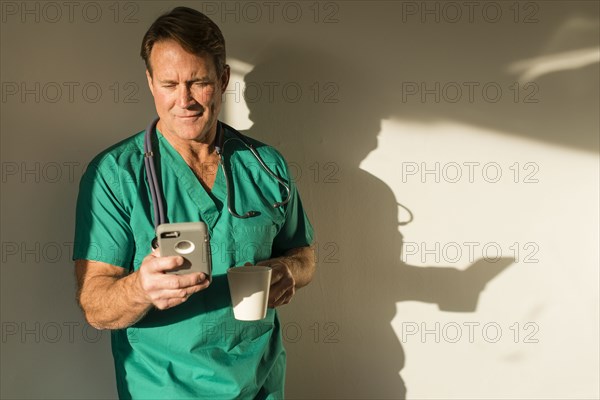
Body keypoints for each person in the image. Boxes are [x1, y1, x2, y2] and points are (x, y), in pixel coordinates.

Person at [72, 6, 315, 399]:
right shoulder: (115, 174)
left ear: (222, 79)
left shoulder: (266, 166)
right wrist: (140, 289)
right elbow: (95, 306)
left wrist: (290, 270)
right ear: (150, 82)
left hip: (261, 385)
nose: (183, 100)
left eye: (198, 82)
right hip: (163, 389)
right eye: (169, 84)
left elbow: (304, 253)